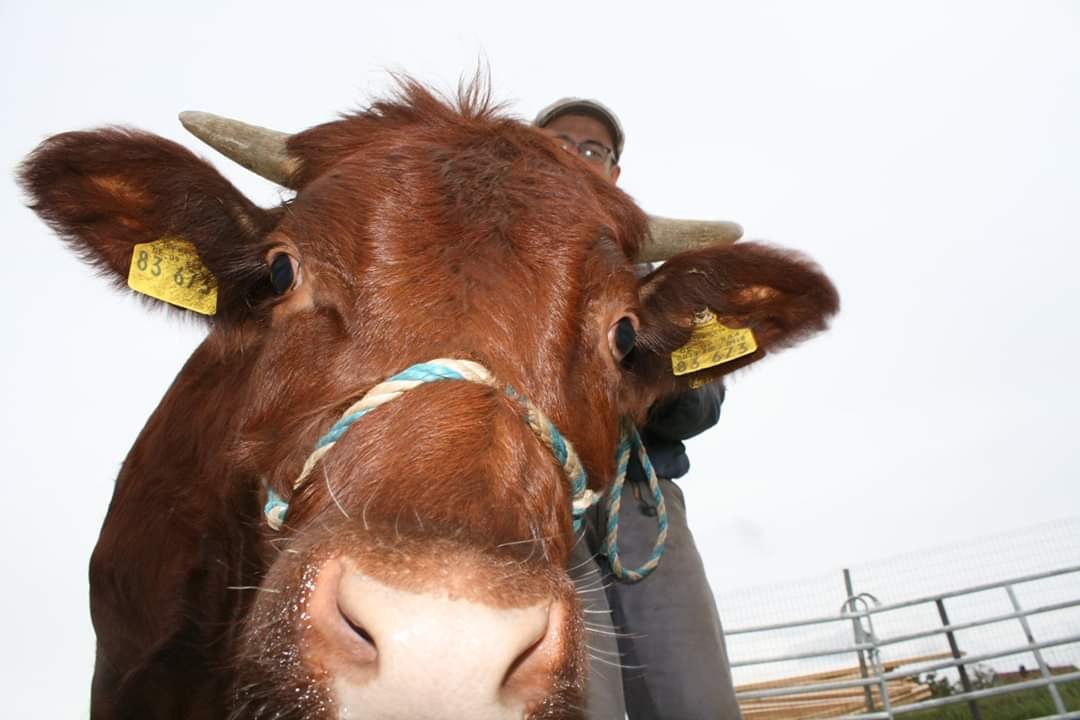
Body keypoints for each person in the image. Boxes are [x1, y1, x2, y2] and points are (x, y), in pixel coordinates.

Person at [536, 98, 744, 720]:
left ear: (614, 174)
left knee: (690, 692)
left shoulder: (661, 277)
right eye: (558, 143)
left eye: (592, 149)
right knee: (573, 700)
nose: (576, 155)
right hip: (539, 499)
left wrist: (640, 374)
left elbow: (704, 407)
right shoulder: (493, 267)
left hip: (640, 498)